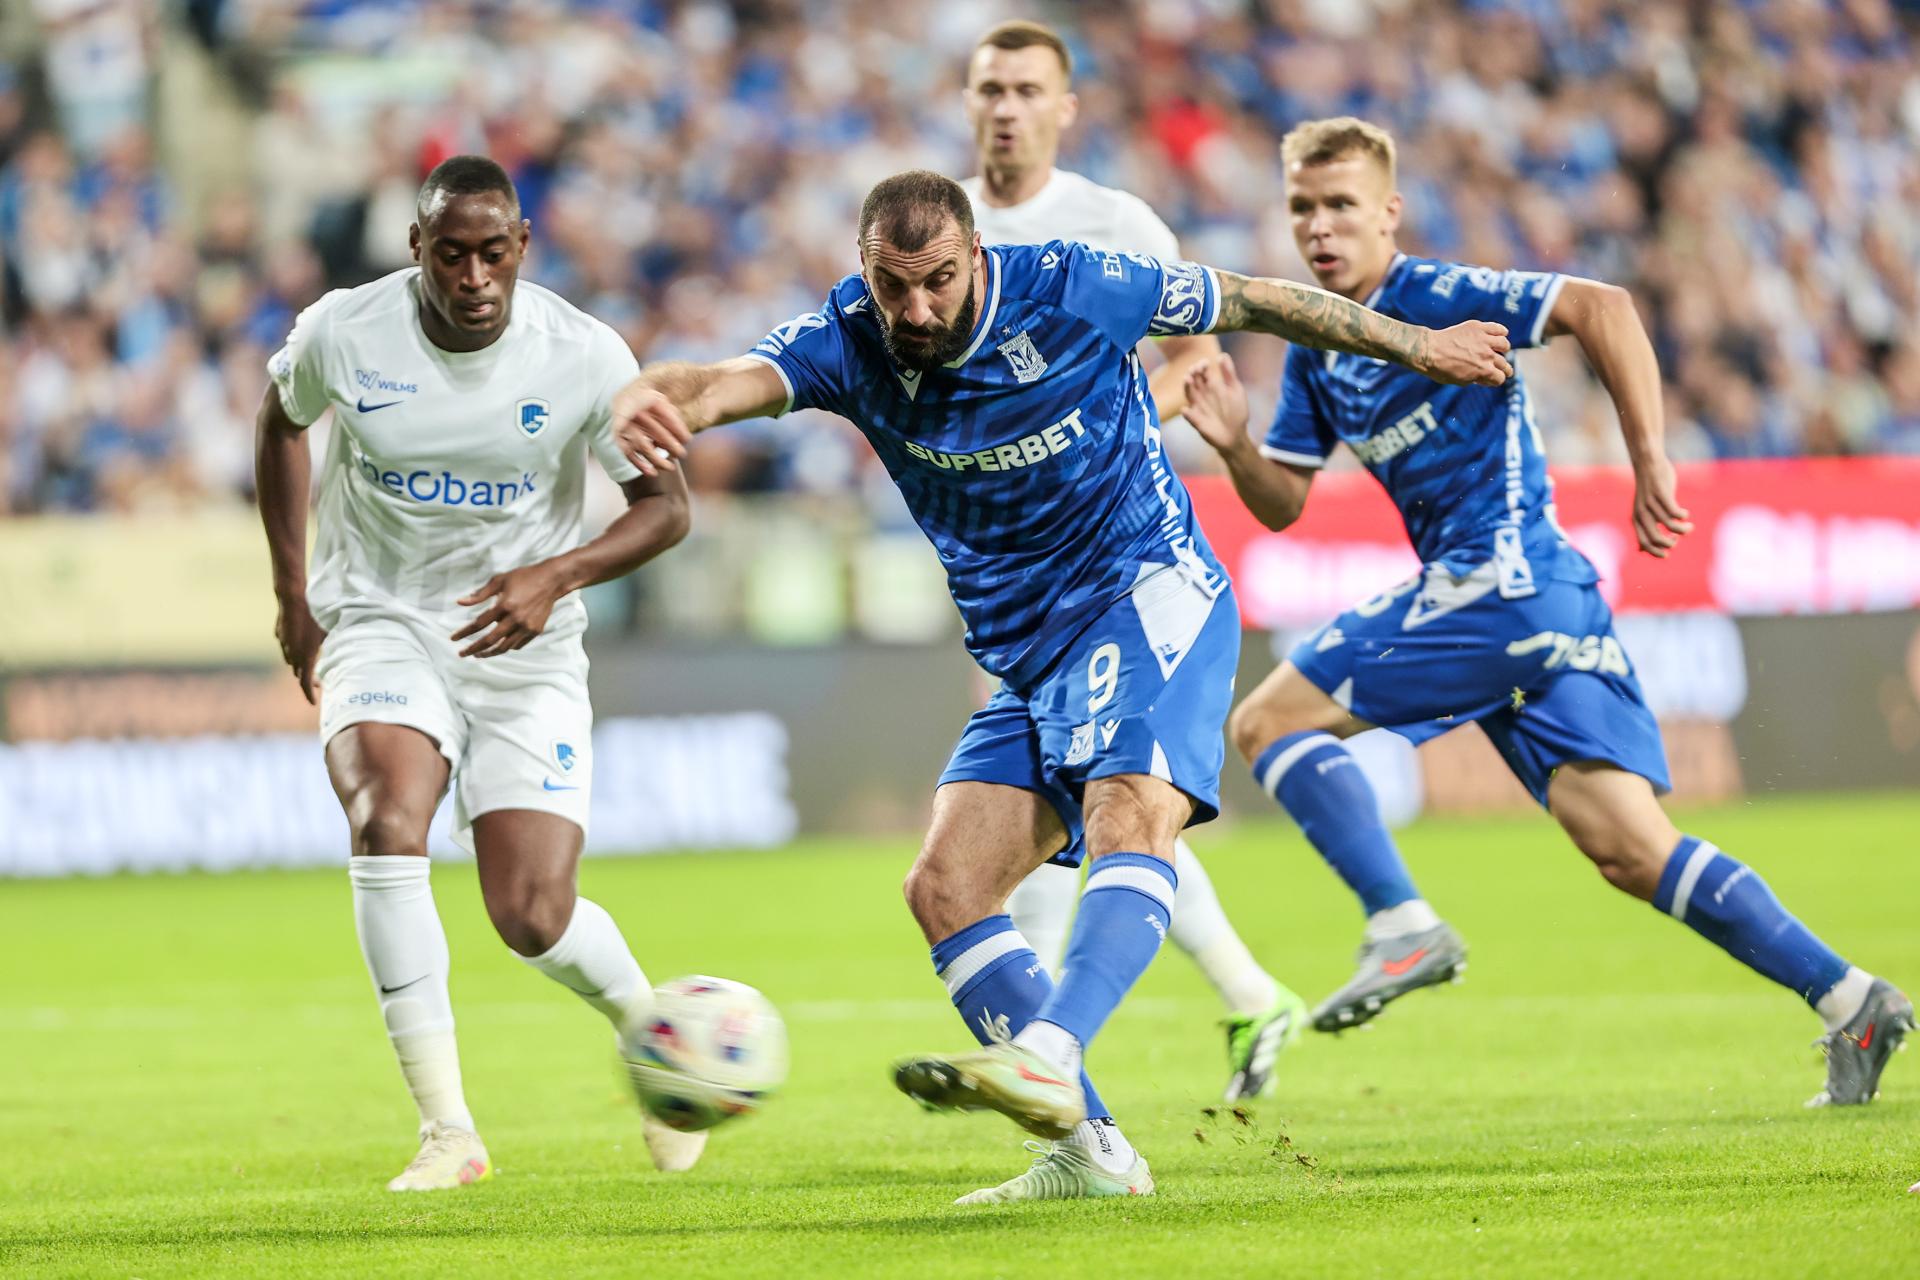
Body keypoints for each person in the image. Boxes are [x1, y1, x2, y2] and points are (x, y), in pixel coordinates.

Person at [609, 168, 1513, 1202]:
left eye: (937, 282)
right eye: (891, 285)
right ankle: (1092, 1153)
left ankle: (1048, 1049)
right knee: (945, 889)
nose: (914, 309)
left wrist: (1420, 345)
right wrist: (647, 391)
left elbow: (1260, 300)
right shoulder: (848, 338)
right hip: (1031, 651)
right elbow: (722, 382)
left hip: (1147, 589)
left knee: (1131, 807)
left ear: (976, 257)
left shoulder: (1081, 284)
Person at [1180, 117, 1911, 1107]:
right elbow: (1287, 503)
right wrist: (1233, 446)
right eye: (1303, 206)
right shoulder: (1318, 348)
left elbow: (1602, 305)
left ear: (1389, 213)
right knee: (1629, 846)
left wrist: (1650, 455)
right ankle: (1852, 998)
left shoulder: (1439, 294)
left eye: (1342, 204)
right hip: (1529, 598)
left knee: (1266, 720)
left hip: (1506, 580)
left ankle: (1400, 919)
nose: (1320, 226)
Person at [256, 155, 701, 1191]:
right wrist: (292, 595)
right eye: (449, 254)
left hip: (525, 643)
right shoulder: (342, 330)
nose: (471, 276)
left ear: (521, 249)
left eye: (491, 254)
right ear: (415, 248)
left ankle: (651, 1027)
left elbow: (667, 506)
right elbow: (281, 425)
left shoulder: (584, 355)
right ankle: (448, 1129)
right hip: (380, 614)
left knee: (532, 914)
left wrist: (559, 571)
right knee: (386, 816)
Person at [958, 19, 1308, 1105]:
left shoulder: (1113, 222)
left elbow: (1197, 362)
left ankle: (1056, 1062)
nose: (1005, 106)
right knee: (1102, 800)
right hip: (1002, 570)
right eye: (989, 88)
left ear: (1066, 107)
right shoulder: (938, 229)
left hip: (1112, 561)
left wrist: (1082, 422)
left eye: (1026, 88)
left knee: (1082, 807)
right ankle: (1249, 993)